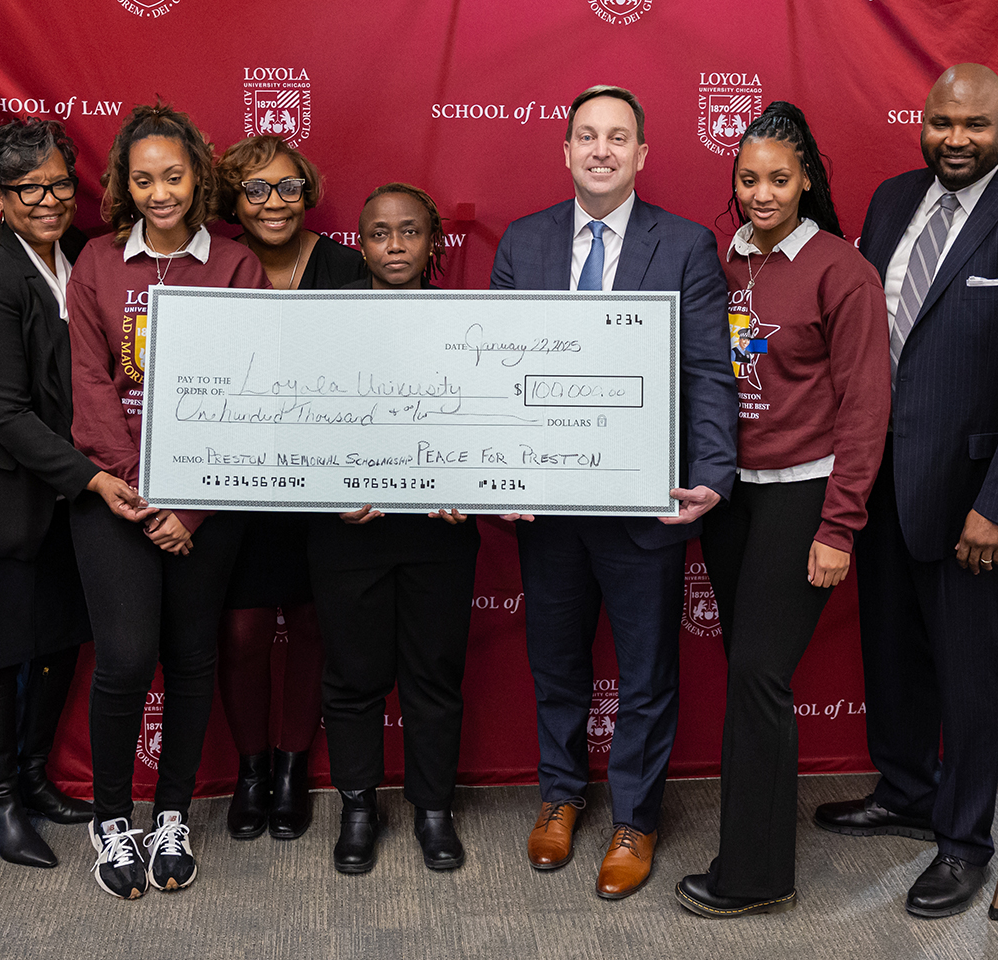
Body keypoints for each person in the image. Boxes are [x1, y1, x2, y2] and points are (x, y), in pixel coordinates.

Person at [810, 63, 998, 918]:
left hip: (975, 502)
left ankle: (964, 840)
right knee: (892, 653)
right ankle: (905, 790)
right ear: (923, 123)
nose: (956, 140)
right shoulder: (893, 201)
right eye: (942, 123)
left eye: (975, 126)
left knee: (972, 680)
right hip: (883, 484)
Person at [491, 84, 738, 900]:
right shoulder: (522, 246)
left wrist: (711, 474)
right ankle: (561, 796)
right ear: (564, 152)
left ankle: (636, 816)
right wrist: (497, 470)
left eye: (617, 137)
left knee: (647, 674)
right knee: (555, 663)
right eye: (586, 136)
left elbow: (706, 368)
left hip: (646, 503)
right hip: (549, 508)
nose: (601, 149)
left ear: (641, 154)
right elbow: (496, 374)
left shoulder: (689, 245)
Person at [671, 102, 890, 918]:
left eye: (779, 179)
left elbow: (868, 409)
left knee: (760, 675)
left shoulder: (842, 270)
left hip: (806, 493)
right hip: (731, 497)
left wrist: (840, 526)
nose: (762, 194)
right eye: (748, 179)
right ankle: (751, 849)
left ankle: (757, 875)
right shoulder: (717, 258)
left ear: (807, 182)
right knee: (748, 675)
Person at [0, 118, 160, 868]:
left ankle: (34, 779)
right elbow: (0, 414)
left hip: (66, 495)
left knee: (58, 640)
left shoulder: (86, 253)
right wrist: (92, 476)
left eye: (62, 182)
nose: (51, 199)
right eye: (31, 189)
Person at [67, 101, 267, 899]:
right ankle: (112, 818)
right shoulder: (96, 262)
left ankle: (172, 812)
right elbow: (87, 386)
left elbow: (251, 392)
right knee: (122, 660)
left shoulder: (237, 264)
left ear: (199, 177)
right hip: (116, 495)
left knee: (190, 658)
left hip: (206, 503)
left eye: (174, 176)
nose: (160, 192)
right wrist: (148, 500)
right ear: (123, 183)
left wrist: (192, 507)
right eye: (143, 179)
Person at [314, 183, 481, 875]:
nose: (394, 245)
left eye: (409, 232)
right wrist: (329, 494)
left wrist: (468, 484)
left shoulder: (471, 325)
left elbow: (487, 424)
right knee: (353, 676)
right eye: (379, 232)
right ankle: (358, 804)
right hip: (348, 533)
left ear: (432, 242)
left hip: (436, 534)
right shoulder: (321, 321)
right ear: (360, 241)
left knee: (433, 675)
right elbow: (294, 422)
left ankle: (433, 807)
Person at [210, 136, 366, 841]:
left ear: (308, 194)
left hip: (325, 486)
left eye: (288, 188)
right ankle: (251, 767)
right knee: (241, 630)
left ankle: (292, 769)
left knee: (310, 624)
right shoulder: (211, 269)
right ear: (232, 203)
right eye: (256, 190)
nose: (275, 203)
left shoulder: (346, 269)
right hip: (238, 482)